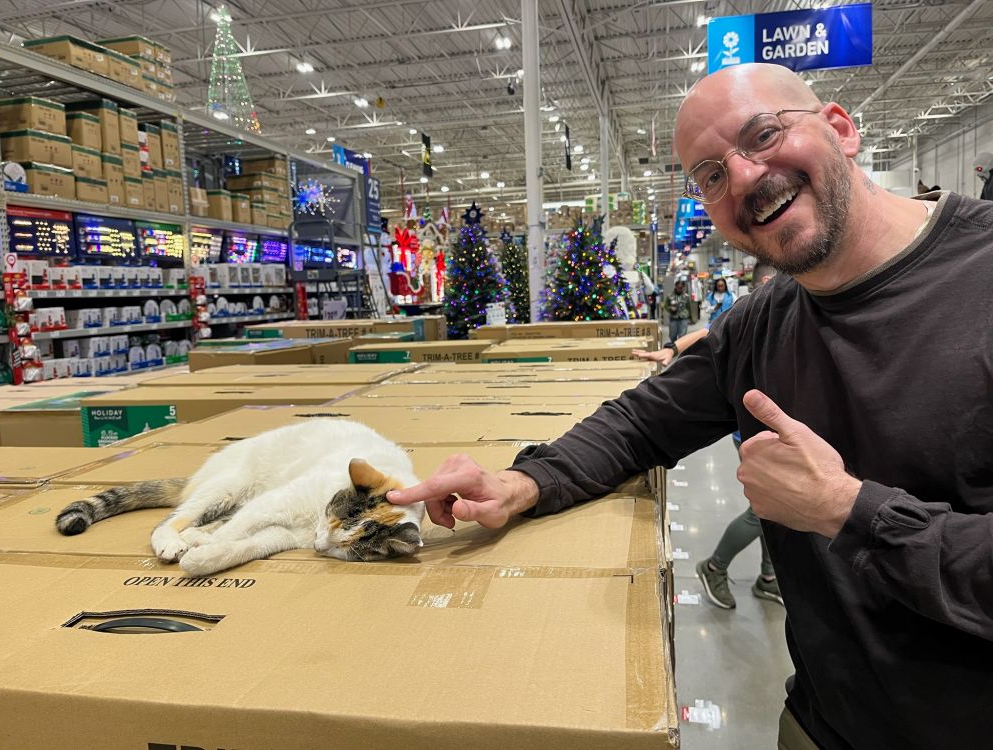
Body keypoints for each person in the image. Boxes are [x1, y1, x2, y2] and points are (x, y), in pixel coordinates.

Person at [389, 62, 993, 749]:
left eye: (762, 134)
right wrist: (519, 482)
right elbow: (639, 423)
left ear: (840, 129)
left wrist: (846, 510)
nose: (740, 177)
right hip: (822, 724)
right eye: (708, 174)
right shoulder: (760, 323)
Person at [638, 262, 783, 608]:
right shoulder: (760, 311)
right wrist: (672, 349)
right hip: (756, 434)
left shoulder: (791, 309)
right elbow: (710, 332)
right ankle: (715, 566)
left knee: (776, 514)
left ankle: (768, 576)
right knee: (764, 512)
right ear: (766, 280)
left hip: (779, 431)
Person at [663, 279, 692, 343]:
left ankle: (680, 349)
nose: (680, 289)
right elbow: (665, 305)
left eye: (681, 288)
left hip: (683, 318)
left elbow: (689, 307)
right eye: (678, 287)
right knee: (672, 335)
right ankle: (674, 346)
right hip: (673, 318)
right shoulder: (670, 296)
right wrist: (670, 309)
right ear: (675, 286)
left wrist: (690, 318)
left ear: (683, 288)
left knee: (682, 335)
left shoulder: (686, 297)